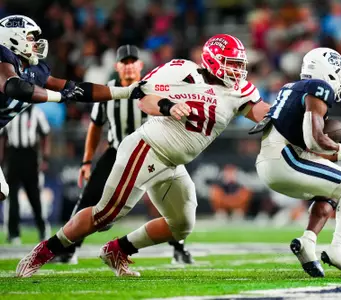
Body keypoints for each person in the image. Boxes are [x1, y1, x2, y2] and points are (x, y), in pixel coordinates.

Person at [16, 33, 271, 277]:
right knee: (105, 214)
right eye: (231, 64)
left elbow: (263, 114)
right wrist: (168, 106)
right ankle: (43, 252)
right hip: (147, 148)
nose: (237, 71)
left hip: (173, 162)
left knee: (182, 224)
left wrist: (291, 114)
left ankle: (118, 250)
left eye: (239, 65)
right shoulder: (180, 70)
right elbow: (143, 99)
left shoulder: (239, 90)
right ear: (213, 60)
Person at [53, 45, 193, 265]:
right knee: (89, 197)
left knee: (166, 202)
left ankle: (179, 248)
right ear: (117, 66)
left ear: (140, 65)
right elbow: (95, 126)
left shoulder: (154, 86)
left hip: (152, 151)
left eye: (132, 62)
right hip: (116, 152)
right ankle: (68, 249)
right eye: (124, 63)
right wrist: (87, 160)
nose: (128, 67)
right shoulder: (107, 90)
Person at [250, 48, 341, 277]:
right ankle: (338, 250)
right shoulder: (319, 88)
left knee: (331, 192)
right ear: (329, 72)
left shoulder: (291, 87)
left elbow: (308, 142)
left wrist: (338, 156)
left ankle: (307, 243)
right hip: (285, 159)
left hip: (275, 159)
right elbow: (314, 139)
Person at [0, 15, 140, 202]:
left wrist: (125, 92)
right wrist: (59, 97)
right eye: (30, 38)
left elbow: (75, 89)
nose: (35, 44)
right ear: (12, 37)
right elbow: (15, 87)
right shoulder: (3, 57)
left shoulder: (34, 71)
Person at [1, 105, 50, 244]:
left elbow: (45, 134)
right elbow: (3, 138)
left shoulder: (36, 112)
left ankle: (42, 229)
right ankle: (13, 233)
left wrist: (45, 157)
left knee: (35, 196)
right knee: (12, 198)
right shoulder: (9, 112)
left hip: (30, 156)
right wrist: (2, 159)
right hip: (13, 156)